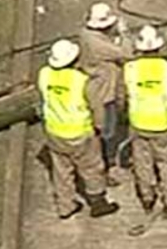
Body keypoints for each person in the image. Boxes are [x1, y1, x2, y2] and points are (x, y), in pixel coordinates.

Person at [36, 38, 119, 220]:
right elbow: (96, 108)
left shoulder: (44, 74)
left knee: (61, 171)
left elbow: (42, 101)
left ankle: (65, 206)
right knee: (91, 168)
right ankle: (98, 203)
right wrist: (99, 127)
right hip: (80, 132)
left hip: (54, 131)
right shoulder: (82, 81)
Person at [123, 24, 167, 219]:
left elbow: (122, 97)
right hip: (164, 123)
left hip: (138, 123)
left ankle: (147, 198)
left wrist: (124, 117)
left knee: (142, 162)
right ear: (158, 48)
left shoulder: (129, 69)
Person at [80, 2, 133, 182]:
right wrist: (125, 34)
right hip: (104, 93)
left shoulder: (86, 35)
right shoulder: (98, 45)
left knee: (105, 129)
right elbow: (127, 54)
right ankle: (104, 167)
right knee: (106, 132)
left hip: (98, 87)